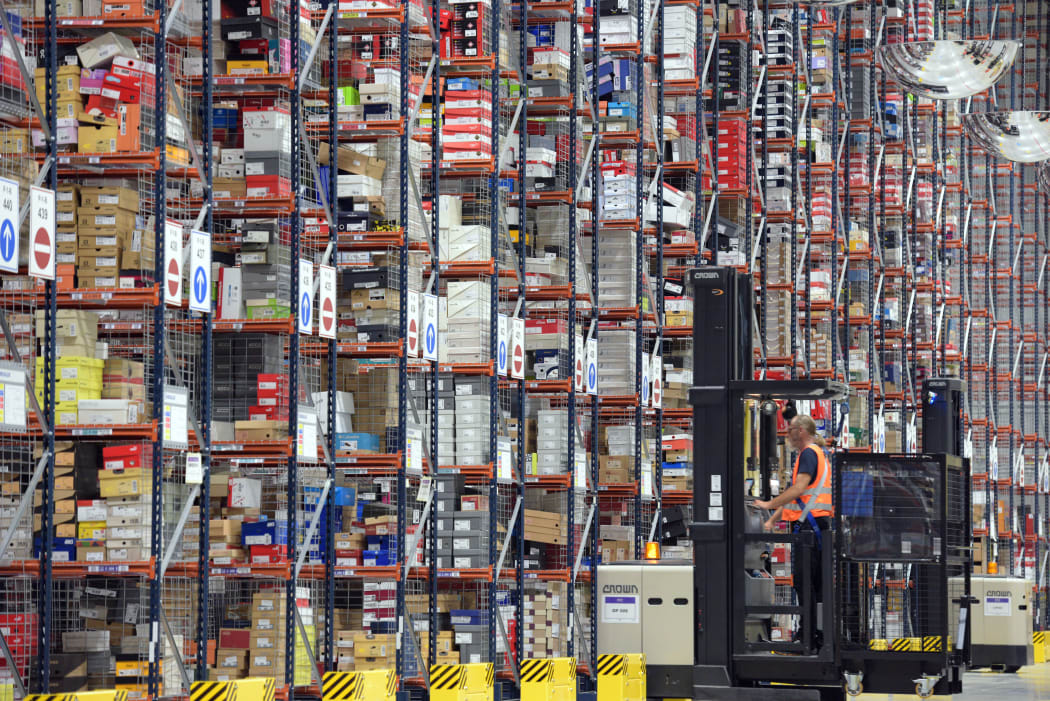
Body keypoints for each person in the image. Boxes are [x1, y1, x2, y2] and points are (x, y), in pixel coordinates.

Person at [754, 414, 832, 649]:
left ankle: (808, 635)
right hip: (814, 525)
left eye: (790, 430)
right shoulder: (816, 454)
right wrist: (771, 521)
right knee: (814, 583)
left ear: (801, 431)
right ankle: (816, 633)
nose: (787, 434)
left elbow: (797, 490)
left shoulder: (808, 453)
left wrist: (769, 505)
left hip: (810, 528)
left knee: (803, 581)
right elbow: (795, 498)